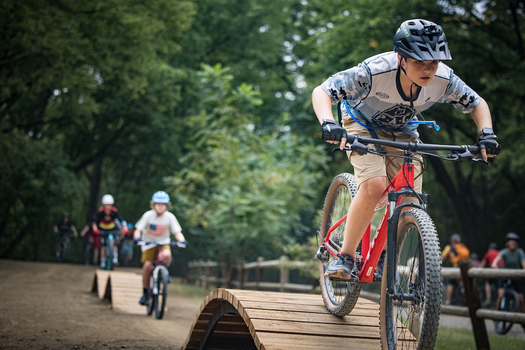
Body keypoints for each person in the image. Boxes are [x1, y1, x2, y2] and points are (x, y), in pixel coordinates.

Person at [312, 18, 500, 280]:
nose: (428, 70)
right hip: (359, 123)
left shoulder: (444, 79)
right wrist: (328, 123)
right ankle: (344, 256)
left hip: (403, 131)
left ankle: (385, 256)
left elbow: (477, 103)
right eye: (419, 62)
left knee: (411, 198)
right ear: (401, 58)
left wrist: (487, 135)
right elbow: (323, 91)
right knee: (375, 186)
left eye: (433, 62)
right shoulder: (373, 72)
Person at [133, 191, 187, 306]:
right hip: (149, 243)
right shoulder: (148, 215)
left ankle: (164, 273)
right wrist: (137, 238)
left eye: (163, 204)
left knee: (167, 255)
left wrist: (182, 241)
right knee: (147, 266)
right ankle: (145, 292)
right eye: (158, 204)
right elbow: (138, 230)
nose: (160, 207)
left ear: (166, 206)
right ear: (153, 205)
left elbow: (177, 232)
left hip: (163, 242)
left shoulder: (170, 217)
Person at [491, 233, 525, 315]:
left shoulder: (519, 252)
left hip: (517, 275)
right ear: (508, 243)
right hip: (505, 275)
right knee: (501, 295)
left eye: (514, 241)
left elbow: (523, 263)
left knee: (521, 299)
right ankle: (496, 313)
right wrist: (494, 266)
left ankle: (523, 319)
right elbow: (496, 260)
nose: (513, 243)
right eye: (511, 241)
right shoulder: (504, 252)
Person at [91, 194, 127, 269]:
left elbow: (121, 220)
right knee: (103, 246)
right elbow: (94, 221)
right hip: (103, 230)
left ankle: (115, 259)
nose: (108, 207)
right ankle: (103, 261)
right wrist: (95, 228)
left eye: (109, 205)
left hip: (112, 229)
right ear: (103, 205)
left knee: (114, 244)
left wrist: (124, 227)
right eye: (106, 205)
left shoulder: (114, 212)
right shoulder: (100, 212)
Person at [441, 234, 470, 305]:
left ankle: (448, 301)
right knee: (463, 283)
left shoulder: (449, 248)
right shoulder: (463, 247)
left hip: (454, 270)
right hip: (463, 269)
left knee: (450, 284)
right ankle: (464, 295)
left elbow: (442, 258)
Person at [479, 242, 500, 307]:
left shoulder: (488, 253)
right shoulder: (499, 253)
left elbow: (482, 265)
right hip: (502, 271)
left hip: (494, 271)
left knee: (487, 283)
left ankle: (488, 299)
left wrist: (478, 271)